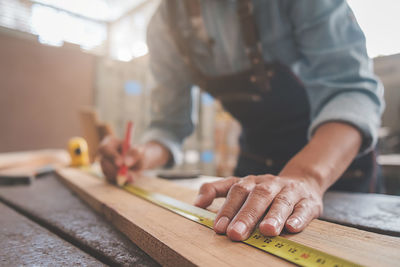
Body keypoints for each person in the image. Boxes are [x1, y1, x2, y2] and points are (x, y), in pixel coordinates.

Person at [99, 0, 384, 242]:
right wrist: (139, 156)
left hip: (332, 163)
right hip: (256, 162)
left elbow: (350, 92)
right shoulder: (163, 25)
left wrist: (306, 176)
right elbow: (168, 124)